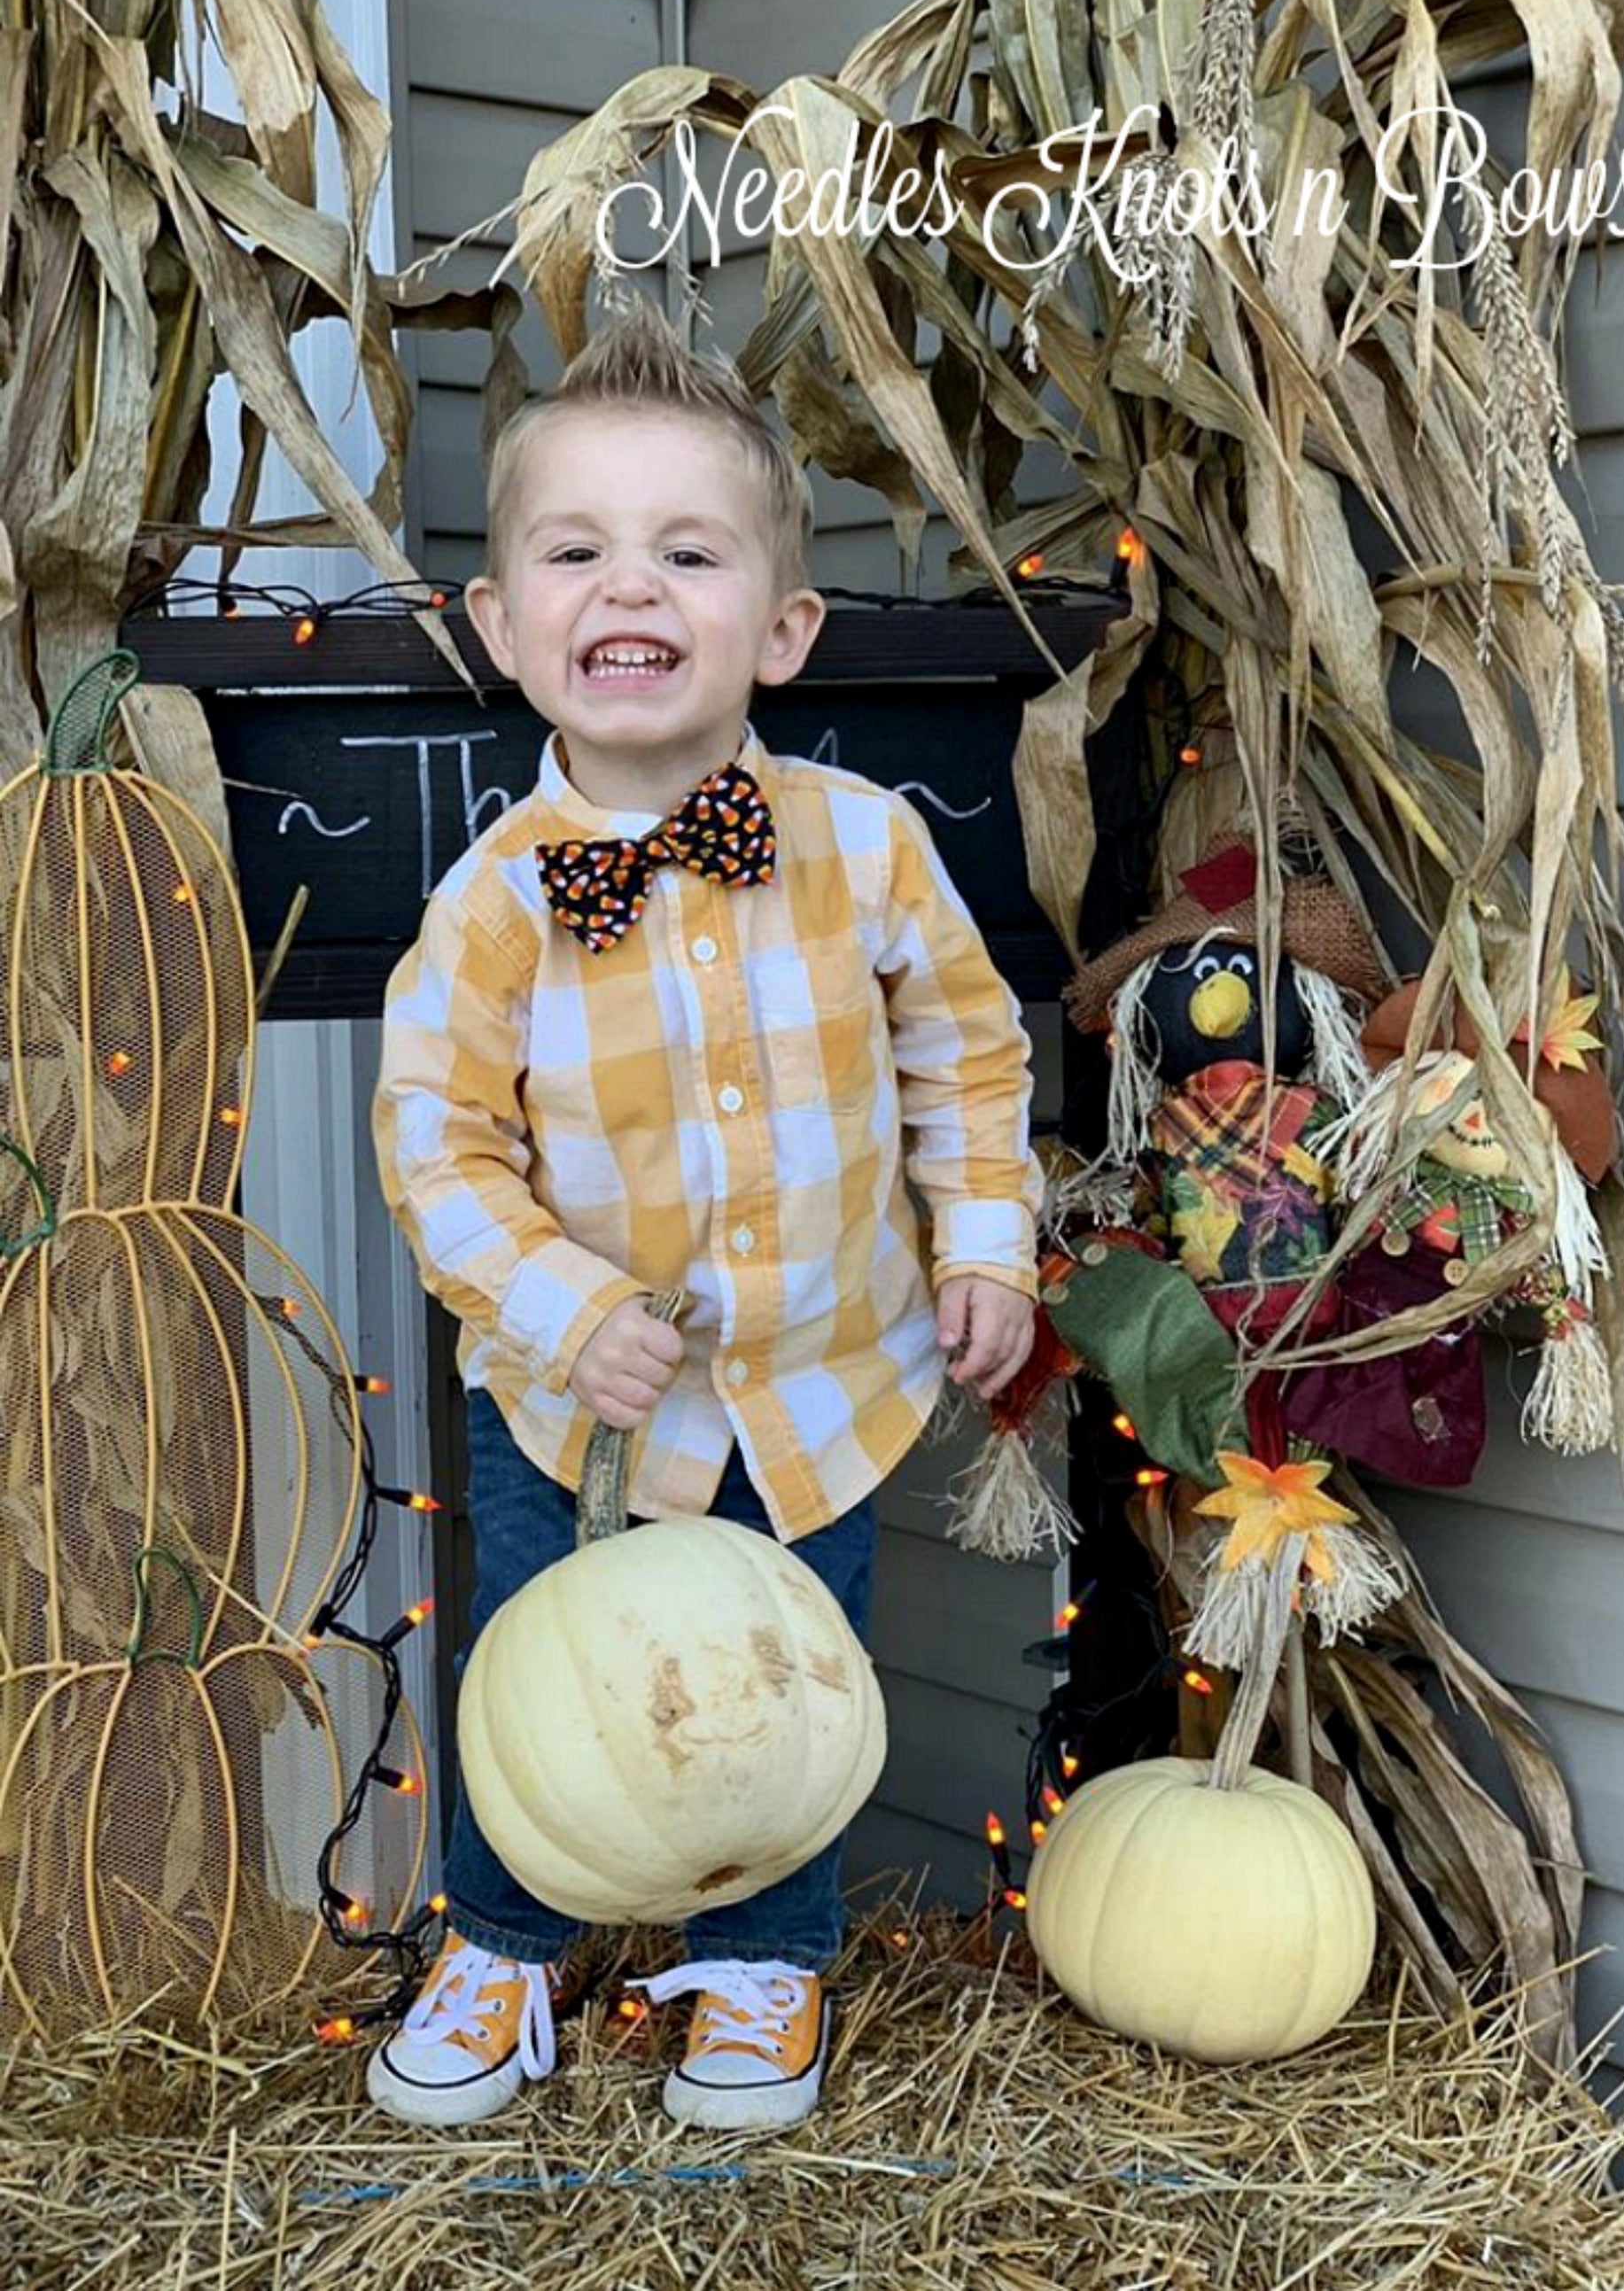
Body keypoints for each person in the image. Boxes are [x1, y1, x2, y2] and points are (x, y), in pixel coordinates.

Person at [367, 299, 1041, 2133]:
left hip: (817, 1390)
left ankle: (760, 1966)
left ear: (780, 622)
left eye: (687, 550)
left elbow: (963, 1062)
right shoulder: (494, 905)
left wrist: (983, 1246)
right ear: (503, 628)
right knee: (546, 1670)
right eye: (573, 552)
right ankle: (503, 1940)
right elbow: (435, 1147)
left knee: (780, 1685)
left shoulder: (866, 847)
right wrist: (566, 1299)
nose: (628, 587)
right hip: (575, 1402)